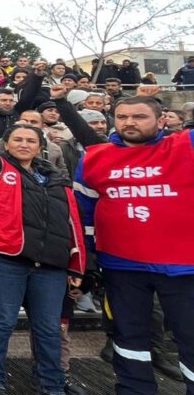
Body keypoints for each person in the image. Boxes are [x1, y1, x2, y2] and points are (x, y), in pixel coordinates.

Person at [0, 89, 86, 395]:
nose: (24, 144)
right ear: (6, 144)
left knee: (49, 327)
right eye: (17, 139)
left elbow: (72, 224)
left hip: (51, 265)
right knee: (2, 321)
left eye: (31, 140)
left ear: (41, 147)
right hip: (6, 258)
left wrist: (77, 266)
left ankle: (52, 382)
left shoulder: (58, 180)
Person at [72, 88, 194, 395]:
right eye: (122, 116)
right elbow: (83, 215)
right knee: (128, 338)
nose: (129, 122)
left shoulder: (186, 145)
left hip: (183, 266)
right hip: (121, 266)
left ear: (161, 120)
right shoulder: (94, 158)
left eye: (140, 116)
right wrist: (87, 261)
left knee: (190, 336)